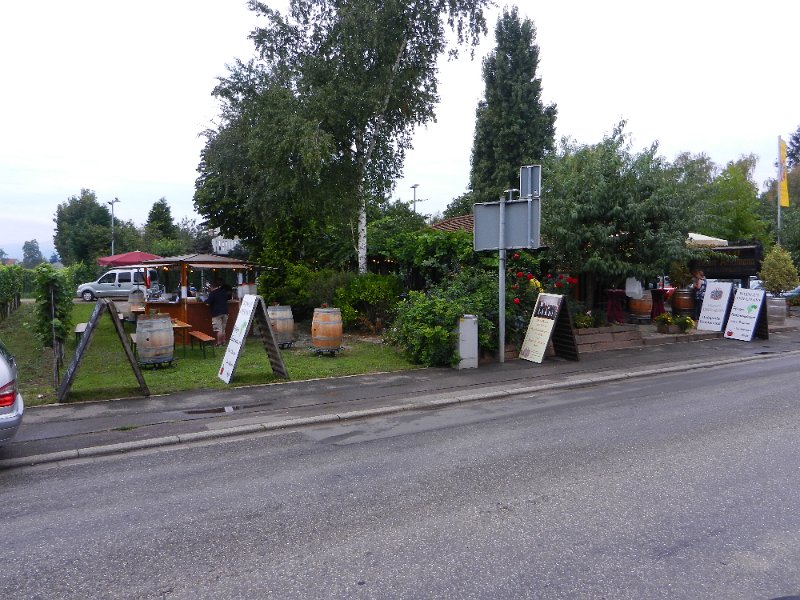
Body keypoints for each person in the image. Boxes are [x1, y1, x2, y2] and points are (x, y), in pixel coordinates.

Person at [206, 279, 229, 346]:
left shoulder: (213, 293)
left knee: (219, 329)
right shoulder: (223, 291)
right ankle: (224, 342)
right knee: (223, 329)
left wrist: (204, 301)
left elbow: (207, 304)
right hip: (225, 311)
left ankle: (218, 343)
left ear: (211, 287)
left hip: (216, 313)